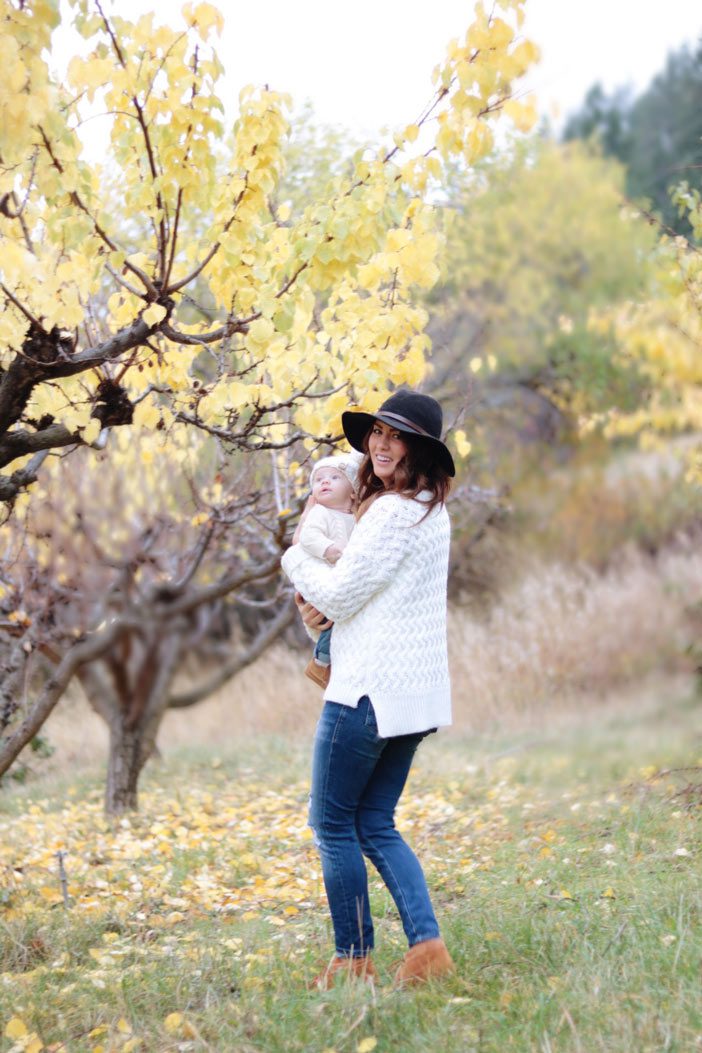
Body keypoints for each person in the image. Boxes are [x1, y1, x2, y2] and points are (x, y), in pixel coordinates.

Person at [280, 388, 457, 989]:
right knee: (375, 822)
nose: (381, 444)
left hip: (366, 695)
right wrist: (324, 609)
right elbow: (366, 595)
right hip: (413, 697)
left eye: (396, 434)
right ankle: (427, 950)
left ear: (421, 448)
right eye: (376, 432)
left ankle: (353, 960)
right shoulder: (432, 510)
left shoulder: (388, 513)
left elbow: (337, 593)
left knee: (332, 824)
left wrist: (293, 561)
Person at [298, 453, 360, 688]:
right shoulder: (320, 513)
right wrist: (329, 550)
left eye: (334, 477)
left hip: (344, 579)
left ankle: (329, 662)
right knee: (333, 623)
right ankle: (321, 663)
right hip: (325, 578)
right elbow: (307, 537)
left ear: (353, 490)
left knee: (341, 622)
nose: (325, 482)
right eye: (319, 480)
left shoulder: (355, 517)